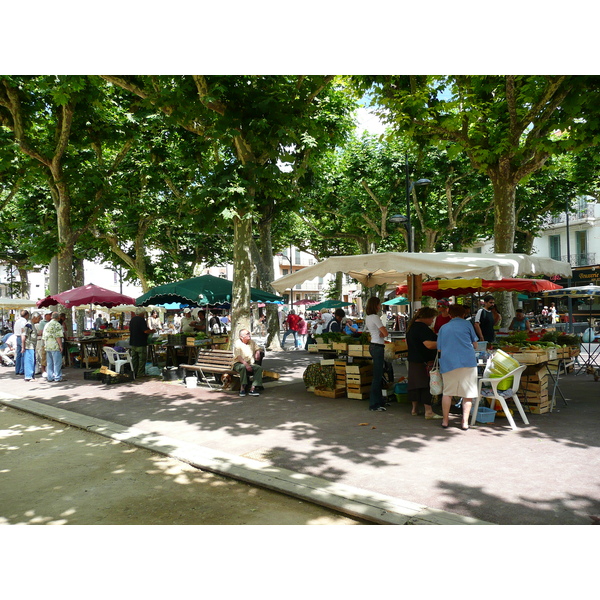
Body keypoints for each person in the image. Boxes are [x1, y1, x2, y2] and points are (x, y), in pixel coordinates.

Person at [437, 304, 479, 430]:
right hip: (468, 362)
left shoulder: (443, 328)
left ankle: (445, 421)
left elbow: (439, 349)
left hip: (448, 363)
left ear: (450, 314)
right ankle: (465, 422)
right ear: (464, 314)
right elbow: (475, 345)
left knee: (447, 393)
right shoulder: (467, 325)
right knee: (467, 394)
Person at [406, 306, 442, 419]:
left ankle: (414, 409)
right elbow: (429, 345)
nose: (432, 321)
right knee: (426, 385)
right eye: (432, 318)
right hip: (424, 361)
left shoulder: (412, 327)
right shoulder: (422, 328)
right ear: (426, 317)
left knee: (414, 385)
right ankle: (429, 411)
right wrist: (443, 342)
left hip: (413, 359)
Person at [364, 297, 389, 412]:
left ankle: (379, 401)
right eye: (379, 304)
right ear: (375, 305)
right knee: (377, 376)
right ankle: (374, 404)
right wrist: (382, 333)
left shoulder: (368, 317)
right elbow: (385, 332)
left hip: (373, 345)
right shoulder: (375, 317)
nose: (380, 307)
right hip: (378, 346)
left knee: (378, 375)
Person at [232, 329, 263, 397]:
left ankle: (253, 388)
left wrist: (257, 352)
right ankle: (242, 388)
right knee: (243, 367)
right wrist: (246, 365)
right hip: (238, 363)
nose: (249, 335)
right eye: (247, 334)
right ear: (241, 337)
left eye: (249, 333)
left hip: (250, 363)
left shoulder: (251, 342)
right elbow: (239, 357)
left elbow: (258, 348)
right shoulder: (237, 343)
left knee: (259, 368)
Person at [129, 307, 155, 378]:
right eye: (143, 313)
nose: (144, 315)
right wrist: (152, 331)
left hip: (133, 342)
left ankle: (134, 372)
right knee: (142, 359)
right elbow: (145, 331)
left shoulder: (132, 319)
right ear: (142, 313)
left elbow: (130, 330)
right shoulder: (141, 320)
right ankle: (140, 373)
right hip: (140, 342)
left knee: (134, 359)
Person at [42, 312, 65, 382]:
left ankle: (50, 377)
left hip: (48, 345)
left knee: (49, 363)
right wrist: (61, 346)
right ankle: (57, 377)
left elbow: (44, 336)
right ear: (58, 317)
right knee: (57, 362)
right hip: (55, 346)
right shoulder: (57, 325)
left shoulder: (47, 324)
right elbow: (58, 336)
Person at [22, 312, 42, 381]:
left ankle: (31, 375)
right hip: (29, 345)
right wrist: (23, 346)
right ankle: (28, 376)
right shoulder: (28, 325)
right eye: (38, 318)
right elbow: (24, 335)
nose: (39, 320)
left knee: (32, 360)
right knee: (29, 360)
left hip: (32, 345)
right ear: (35, 318)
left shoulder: (32, 324)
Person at [13, 309, 29, 375]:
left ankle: (17, 369)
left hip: (17, 337)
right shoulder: (24, 321)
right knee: (23, 353)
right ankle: (22, 370)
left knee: (18, 355)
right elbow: (23, 330)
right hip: (22, 337)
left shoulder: (17, 321)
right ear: (27, 315)